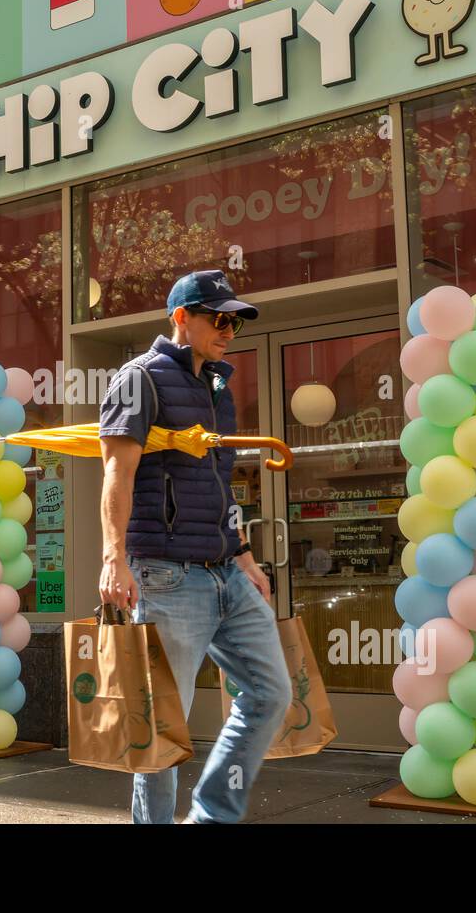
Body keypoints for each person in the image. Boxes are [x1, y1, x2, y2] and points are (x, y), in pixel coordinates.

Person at [97, 269, 291, 824]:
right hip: (165, 575)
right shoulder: (139, 379)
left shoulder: (217, 388)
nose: (229, 329)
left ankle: (211, 815)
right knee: (163, 723)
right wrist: (114, 559)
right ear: (181, 317)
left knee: (270, 693)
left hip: (224, 571)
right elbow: (117, 474)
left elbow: (218, 483)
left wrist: (245, 556)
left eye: (235, 321)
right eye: (219, 318)